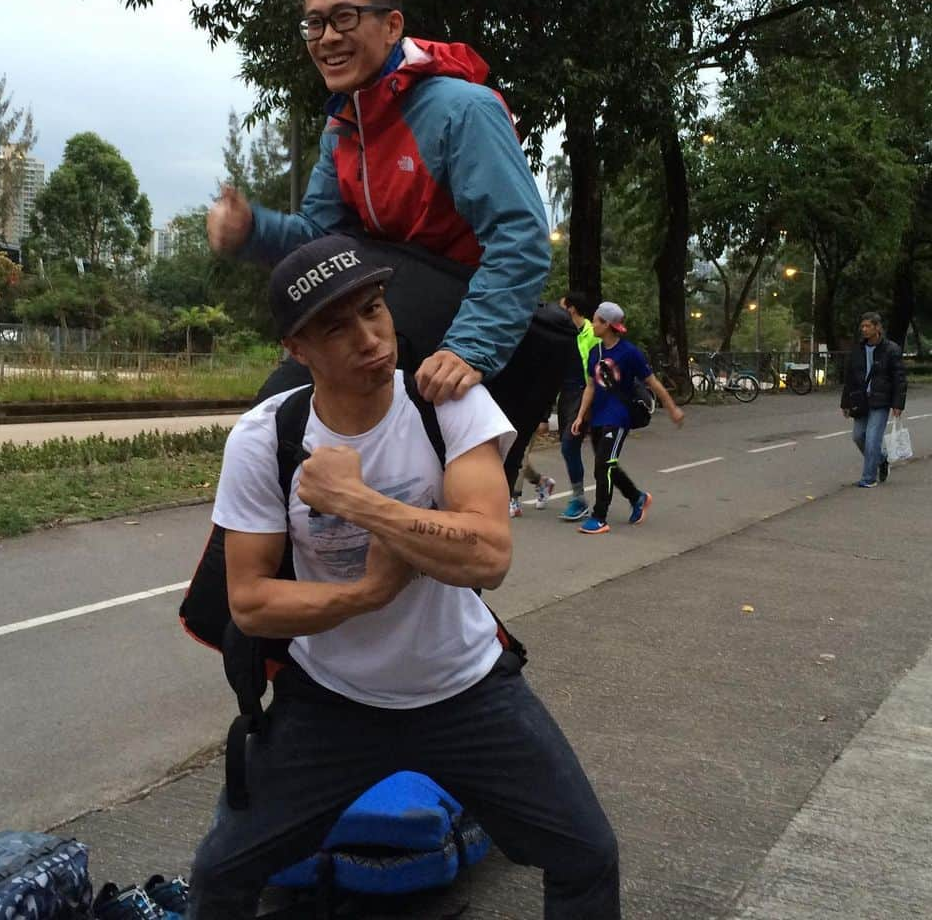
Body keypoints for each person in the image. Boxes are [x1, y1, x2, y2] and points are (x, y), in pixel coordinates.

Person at [189, 235, 620, 918]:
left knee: (587, 855)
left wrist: (361, 504)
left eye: (374, 309)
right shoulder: (264, 437)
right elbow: (251, 603)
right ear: (295, 350)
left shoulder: (446, 404)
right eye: (336, 327)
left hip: (466, 691)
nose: (370, 338)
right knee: (219, 877)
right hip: (331, 703)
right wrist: (366, 593)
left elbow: (488, 556)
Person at [205, 0, 550, 409]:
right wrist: (252, 230)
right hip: (394, 299)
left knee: (291, 405)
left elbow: (520, 236)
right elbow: (323, 236)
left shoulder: (462, 111)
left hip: (466, 310)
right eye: (315, 23)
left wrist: (470, 347)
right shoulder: (344, 126)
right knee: (282, 416)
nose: (327, 37)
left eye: (345, 17)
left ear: (391, 26)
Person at [572, 302, 684, 535]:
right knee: (607, 465)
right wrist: (580, 416)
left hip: (620, 416)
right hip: (599, 417)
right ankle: (637, 497)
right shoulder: (596, 352)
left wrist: (672, 407)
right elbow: (591, 386)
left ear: (607, 324)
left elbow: (652, 382)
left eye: (596, 320)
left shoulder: (630, 353)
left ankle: (599, 517)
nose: (592, 324)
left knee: (604, 465)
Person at [840, 311, 906, 487]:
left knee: (872, 439)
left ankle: (868, 479)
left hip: (881, 401)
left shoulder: (891, 349)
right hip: (861, 400)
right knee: (858, 436)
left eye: (868, 326)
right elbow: (850, 378)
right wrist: (845, 403)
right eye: (862, 326)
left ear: (878, 327)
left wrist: (898, 404)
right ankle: (882, 459)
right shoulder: (858, 350)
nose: (864, 329)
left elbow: (899, 378)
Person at [556, 292, 600, 522]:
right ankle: (635, 496)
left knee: (570, 445)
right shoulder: (562, 333)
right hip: (567, 395)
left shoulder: (594, 333)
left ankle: (579, 499)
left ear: (572, 309)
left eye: (561, 306)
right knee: (570, 447)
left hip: (588, 393)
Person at [509, 421, 556, 517]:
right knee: (510, 458)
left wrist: (544, 419)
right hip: (505, 417)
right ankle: (541, 481)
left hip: (528, 417)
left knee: (519, 455)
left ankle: (513, 499)